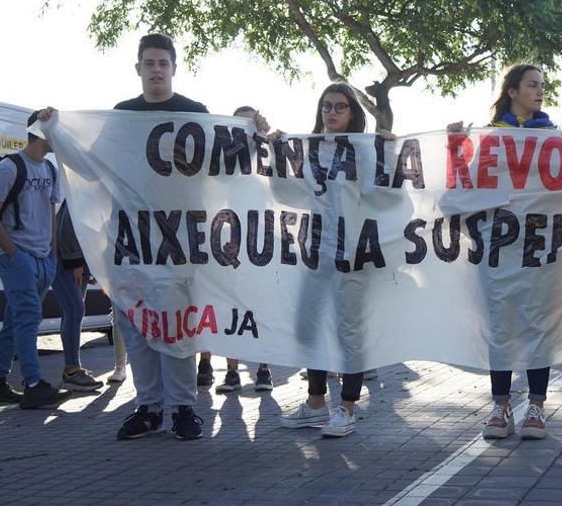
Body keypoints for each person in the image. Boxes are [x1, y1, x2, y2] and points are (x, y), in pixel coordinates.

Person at [468, 63, 562, 442]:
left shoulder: (554, 138)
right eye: (532, 85)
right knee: (502, 325)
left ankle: (536, 406)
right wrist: (454, 145)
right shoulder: (489, 137)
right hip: (499, 246)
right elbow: (465, 183)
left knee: (539, 323)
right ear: (512, 91)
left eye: (542, 86)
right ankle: (500, 405)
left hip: (542, 247)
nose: (539, 91)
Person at [111, 33, 210, 441]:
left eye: (162, 64)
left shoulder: (195, 112)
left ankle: (183, 408)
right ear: (138, 69)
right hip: (132, 240)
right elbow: (90, 158)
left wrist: (254, 131)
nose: (155, 70)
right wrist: (55, 124)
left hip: (179, 239)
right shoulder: (120, 116)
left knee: (178, 325)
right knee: (136, 325)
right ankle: (148, 406)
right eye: (148, 63)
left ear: (173, 68)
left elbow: (228, 160)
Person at [278, 84, 372, 438]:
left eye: (340, 107)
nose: (331, 113)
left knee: (349, 332)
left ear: (352, 114)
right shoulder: (310, 151)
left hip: (352, 253)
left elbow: (384, 194)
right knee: (309, 326)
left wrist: (387, 152)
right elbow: (284, 192)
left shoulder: (364, 151)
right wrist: (274, 151)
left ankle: (346, 409)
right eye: (326, 106)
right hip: (315, 252)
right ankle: (315, 403)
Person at [0, 110, 66, 409]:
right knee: (28, 318)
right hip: (17, 256)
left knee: (14, 321)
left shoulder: (51, 170)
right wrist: (14, 254)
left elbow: (50, 212)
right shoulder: (8, 168)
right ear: (42, 131)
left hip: (42, 258)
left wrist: (51, 251)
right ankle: (33, 384)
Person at [201, 106, 275, 394]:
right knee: (231, 306)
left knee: (261, 307)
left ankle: (263, 367)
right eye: (239, 122)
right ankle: (232, 371)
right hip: (228, 241)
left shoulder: (267, 154)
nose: (245, 126)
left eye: (250, 121)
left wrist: (265, 136)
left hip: (262, 241)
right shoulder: (222, 159)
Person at [52, 202, 104, 392]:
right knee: (74, 310)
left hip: (75, 260)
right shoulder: (84, 188)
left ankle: (73, 369)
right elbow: (67, 229)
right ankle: (72, 371)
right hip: (66, 260)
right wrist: (76, 263)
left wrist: (90, 266)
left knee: (73, 312)